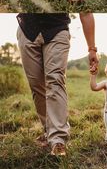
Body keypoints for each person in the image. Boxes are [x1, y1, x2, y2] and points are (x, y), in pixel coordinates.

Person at [17, 12, 98, 157]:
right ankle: (48, 130)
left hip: (57, 30)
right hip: (27, 30)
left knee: (55, 80)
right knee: (36, 84)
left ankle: (58, 139)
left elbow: (85, 11)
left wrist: (92, 48)